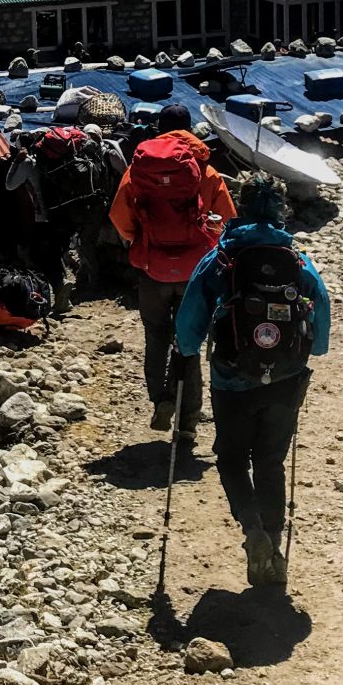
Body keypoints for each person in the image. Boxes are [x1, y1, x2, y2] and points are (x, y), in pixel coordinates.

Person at [174, 175, 330, 587]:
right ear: (281, 211)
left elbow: (191, 320)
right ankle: (274, 543)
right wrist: (312, 349)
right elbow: (321, 311)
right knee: (270, 461)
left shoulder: (221, 257)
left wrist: (185, 350)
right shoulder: (295, 257)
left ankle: (251, 529)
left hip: (232, 377)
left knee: (230, 457)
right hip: (285, 376)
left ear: (240, 208)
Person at [109, 104, 236, 446]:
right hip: (196, 271)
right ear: (190, 129)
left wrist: (141, 240)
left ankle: (161, 399)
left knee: (157, 337)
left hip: (152, 269)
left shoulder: (140, 169)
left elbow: (119, 217)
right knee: (189, 342)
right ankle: (187, 424)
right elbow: (226, 218)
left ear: (159, 128)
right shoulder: (204, 169)